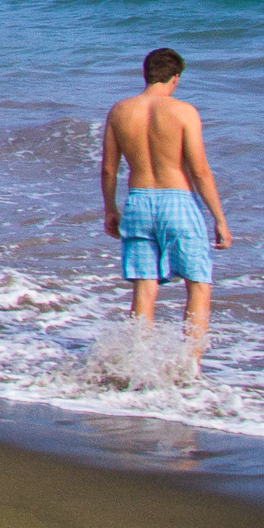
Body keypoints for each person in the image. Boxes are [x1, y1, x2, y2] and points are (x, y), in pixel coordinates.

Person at [99, 45, 232, 358]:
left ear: (146, 75)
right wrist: (219, 219)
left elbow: (108, 168)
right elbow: (199, 171)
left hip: (138, 202)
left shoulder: (119, 111)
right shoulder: (184, 112)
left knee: (144, 288)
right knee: (198, 283)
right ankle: (189, 367)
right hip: (177, 202)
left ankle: (137, 363)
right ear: (175, 78)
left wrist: (110, 209)